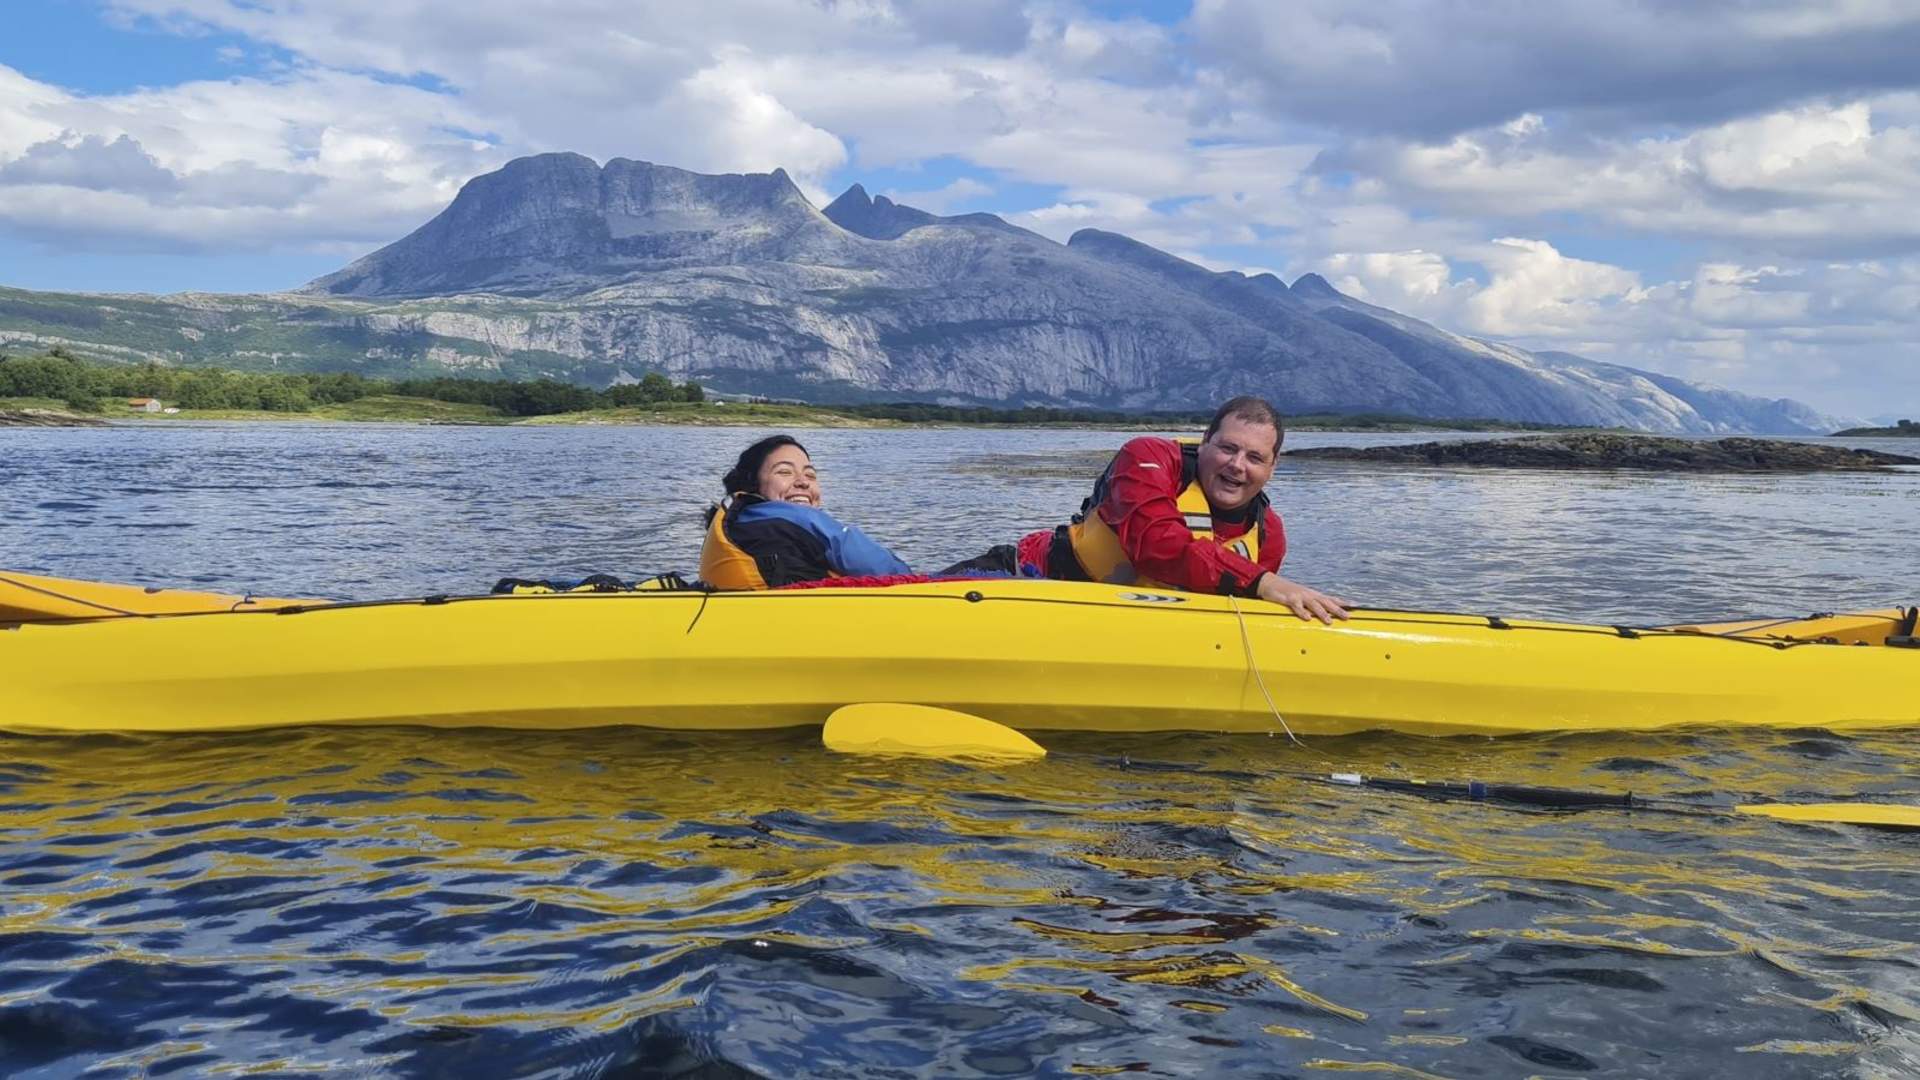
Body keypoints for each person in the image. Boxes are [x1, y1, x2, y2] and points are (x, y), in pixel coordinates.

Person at [1014, 396, 1350, 623]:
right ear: (1205, 442)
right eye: (1227, 448)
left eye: (1254, 457)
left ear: (1273, 466)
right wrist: (1262, 581)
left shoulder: (1268, 532)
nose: (1236, 465)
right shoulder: (1146, 456)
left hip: (1150, 624)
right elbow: (1158, 545)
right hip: (1037, 581)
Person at [699, 434, 912, 589]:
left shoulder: (742, 522)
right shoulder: (791, 516)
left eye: (810, 475)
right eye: (784, 472)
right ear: (751, 484)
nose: (802, 483)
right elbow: (885, 570)